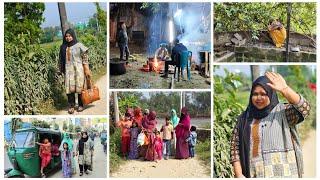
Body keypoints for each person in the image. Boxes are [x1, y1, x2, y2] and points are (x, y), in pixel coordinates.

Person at [230, 72, 311, 178]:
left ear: (271, 94)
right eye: (255, 94)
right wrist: (239, 175)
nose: (258, 97)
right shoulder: (243, 119)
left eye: (263, 94)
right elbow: (235, 148)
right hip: (255, 174)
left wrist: (285, 89)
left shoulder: (283, 113)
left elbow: (304, 109)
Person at [59, 28, 91, 114]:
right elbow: (61, 60)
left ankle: (80, 105)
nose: (68, 38)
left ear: (73, 36)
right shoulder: (63, 47)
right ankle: (71, 106)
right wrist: (61, 70)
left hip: (78, 69)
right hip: (68, 70)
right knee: (69, 88)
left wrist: (86, 68)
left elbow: (85, 56)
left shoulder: (79, 45)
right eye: (66, 36)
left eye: (70, 36)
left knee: (79, 87)